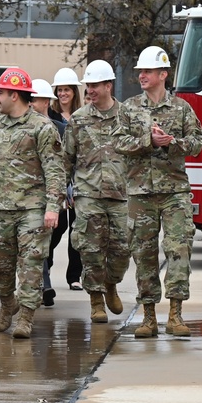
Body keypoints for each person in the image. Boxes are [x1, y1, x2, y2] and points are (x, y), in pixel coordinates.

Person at [0, 67, 65, 339]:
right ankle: (7, 303)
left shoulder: (42, 127)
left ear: (14, 95)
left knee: (31, 264)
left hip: (32, 208)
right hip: (0, 208)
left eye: (0, 93)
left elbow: (55, 169)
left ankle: (26, 318)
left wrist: (52, 207)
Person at [115, 46, 202, 337]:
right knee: (144, 254)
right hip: (140, 193)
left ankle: (176, 315)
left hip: (175, 191)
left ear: (162, 74)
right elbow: (119, 143)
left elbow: (198, 142)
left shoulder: (181, 108)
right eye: (140, 71)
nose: (141, 75)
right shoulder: (129, 108)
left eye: (147, 71)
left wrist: (172, 143)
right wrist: (149, 141)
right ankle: (149, 317)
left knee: (179, 249)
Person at [62, 60, 129, 324]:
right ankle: (96, 300)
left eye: (95, 85)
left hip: (120, 195)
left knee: (122, 250)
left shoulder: (127, 116)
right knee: (90, 250)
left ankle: (111, 283)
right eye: (88, 85)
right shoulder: (78, 120)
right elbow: (67, 158)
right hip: (87, 194)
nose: (90, 90)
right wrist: (62, 190)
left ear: (108, 86)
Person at [30, 79, 68, 307]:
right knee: (37, 235)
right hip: (33, 195)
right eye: (30, 99)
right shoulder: (25, 128)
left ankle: (44, 258)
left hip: (56, 194)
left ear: (46, 101)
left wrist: (69, 188)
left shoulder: (61, 129)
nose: (32, 104)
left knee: (58, 229)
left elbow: (69, 162)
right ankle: (44, 285)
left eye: (35, 100)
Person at [51, 67, 85, 291]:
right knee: (57, 227)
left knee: (78, 229)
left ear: (74, 92)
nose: (63, 94)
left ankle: (74, 276)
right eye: (59, 90)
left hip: (80, 179)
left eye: (67, 89)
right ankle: (46, 266)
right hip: (57, 178)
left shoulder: (83, 115)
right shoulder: (50, 116)